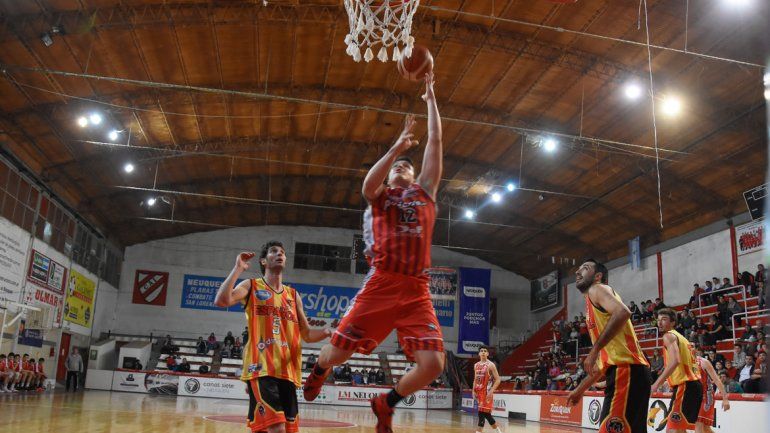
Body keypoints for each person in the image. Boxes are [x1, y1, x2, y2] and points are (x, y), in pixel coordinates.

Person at [302, 72, 444, 433]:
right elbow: (367, 185)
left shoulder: (424, 193)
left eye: (407, 167)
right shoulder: (381, 197)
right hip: (381, 283)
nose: (402, 168)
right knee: (336, 354)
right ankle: (319, 370)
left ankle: (386, 402)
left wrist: (430, 100)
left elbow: (436, 142)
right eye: (397, 166)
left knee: (434, 364)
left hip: (416, 289)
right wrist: (397, 148)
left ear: (415, 177)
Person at [214, 243, 332, 433]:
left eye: (282, 253)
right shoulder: (251, 285)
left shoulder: (293, 295)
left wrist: (327, 332)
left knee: (283, 429)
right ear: (263, 261)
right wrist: (238, 269)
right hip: (262, 369)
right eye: (274, 251)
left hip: (288, 371)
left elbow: (307, 334)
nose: (280, 254)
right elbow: (221, 300)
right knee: (277, 428)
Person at [566, 259, 650, 433]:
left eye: (585, 268)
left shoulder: (597, 289)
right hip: (629, 372)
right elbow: (603, 365)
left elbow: (623, 312)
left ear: (598, 276)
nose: (578, 271)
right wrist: (580, 390)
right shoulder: (593, 306)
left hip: (626, 372)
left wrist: (594, 350)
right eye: (579, 268)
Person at [651, 308, 703, 433]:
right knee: (680, 428)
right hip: (693, 386)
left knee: (672, 428)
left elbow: (675, 361)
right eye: (658, 320)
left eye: (664, 319)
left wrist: (656, 384)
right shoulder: (682, 338)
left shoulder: (668, 336)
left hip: (685, 386)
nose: (660, 323)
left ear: (673, 322)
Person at [695, 356, 730, 433]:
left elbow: (717, 380)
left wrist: (725, 398)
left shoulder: (703, 362)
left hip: (706, 396)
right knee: (706, 429)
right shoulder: (684, 361)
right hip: (694, 396)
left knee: (698, 426)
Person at [473, 347, 501, 433]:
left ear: (488, 354)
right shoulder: (476, 365)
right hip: (479, 392)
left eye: (485, 351)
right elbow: (475, 379)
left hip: (486, 392)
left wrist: (491, 391)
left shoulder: (491, 365)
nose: (483, 352)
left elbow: (498, 379)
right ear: (479, 353)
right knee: (486, 414)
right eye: (481, 351)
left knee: (481, 414)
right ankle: (498, 431)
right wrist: (473, 391)